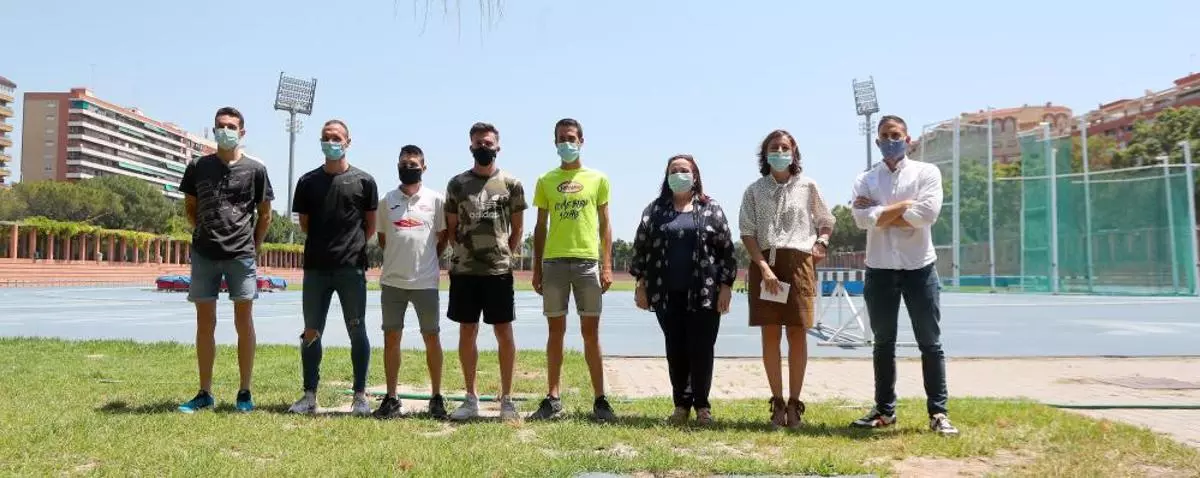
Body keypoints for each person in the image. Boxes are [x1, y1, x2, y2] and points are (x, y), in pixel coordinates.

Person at [850, 115, 958, 436]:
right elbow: (861, 219)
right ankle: (884, 411)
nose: (890, 140)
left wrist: (880, 213)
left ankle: (938, 413)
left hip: (919, 269)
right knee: (883, 343)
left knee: (930, 343)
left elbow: (927, 214)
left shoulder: (927, 172)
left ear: (908, 139)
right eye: (884, 135)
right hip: (880, 269)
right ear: (877, 141)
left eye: (896, 134)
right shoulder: (866, 179)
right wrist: (904, 206)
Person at [177, 106, 274, 413]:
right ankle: (204, 392)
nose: (226, 130)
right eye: (221, 125)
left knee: (244, 323)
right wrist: (205, 231)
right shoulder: (198, 166)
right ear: (214, 128)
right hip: (204, 253)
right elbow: (190, 206)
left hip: (241, 255)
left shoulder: (256, 170)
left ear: (242, 132)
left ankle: (244, 392)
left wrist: (254, 245)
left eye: (232, 126)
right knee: (204, 324)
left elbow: (265, 214)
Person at [630, 154, 736, 426]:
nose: (679, 174)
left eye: (684, 170)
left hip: (705, 294)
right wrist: (640, 285)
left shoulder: (711, 208)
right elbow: (641, 248)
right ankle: (681, 405)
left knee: (702, 349)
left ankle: (702, 406)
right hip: (666, 294)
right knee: (676, 349)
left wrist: (726, 286)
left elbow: (726, 249)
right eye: (674, 170)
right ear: (667, 177)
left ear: (695, 175)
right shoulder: (655, 210)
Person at [738, 129, 835, 429]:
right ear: (765, 154)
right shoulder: (754, 190)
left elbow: (826, 220)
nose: (779, 152)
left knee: (797, 333)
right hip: (767, 264)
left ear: (794, 153)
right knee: (770, 334)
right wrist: (764, 268)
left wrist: (822, 242)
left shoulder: (808, 186)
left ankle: (795, 404)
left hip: (799, 263)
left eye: (784, 147)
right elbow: (747, 232)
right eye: (773, 148)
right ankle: (777, 403)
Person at [287, 119, 379, 417]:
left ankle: (360, 396)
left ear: (348, 142)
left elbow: (370, 226)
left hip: (351, 269)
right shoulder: (307, 182)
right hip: (316, 269)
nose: (331, 142)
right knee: (311, 331)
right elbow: (305, 225)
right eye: (326, 137)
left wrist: (350, 248)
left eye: (337, 137)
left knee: (357, 329)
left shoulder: (365, 181)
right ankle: (309, 395)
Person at [528, 118, 616, 422]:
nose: (567, 143)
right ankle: (553, 398)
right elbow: (540, 227)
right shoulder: (545, 180)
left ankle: (600, 400)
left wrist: (607, 264)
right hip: (554, 263)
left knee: (591, 333)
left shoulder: (598, 179)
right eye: (561, 139)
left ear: (581, 141)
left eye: (571, 138)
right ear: (555, 143)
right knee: (556, 332)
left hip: (587, 263)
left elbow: (605, 224)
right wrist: (536, 268)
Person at [444, 122, 527, 422]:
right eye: (478, 143)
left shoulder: (512, 184)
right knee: (467, 331)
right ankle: (470, 398)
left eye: (488, 143)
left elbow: (517, 230)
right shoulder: (457, 184)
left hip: (498, 272)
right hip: (465, 271)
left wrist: (503, 254)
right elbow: (451, 229)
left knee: (504, 332)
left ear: (497, 147)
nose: (483, 147)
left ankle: (507, 400)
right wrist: (465, 254)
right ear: (471, 146)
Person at [373, 145, 449, 419]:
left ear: (424, 168)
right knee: (391, 337)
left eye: (414, 164)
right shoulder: (386, 201)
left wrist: (426, 260)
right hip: (393, 282)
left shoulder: (436, 200)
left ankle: (436, 397)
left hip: (425, 282)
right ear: (397, 166)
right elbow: (384, 239)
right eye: (404, 164)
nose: (408, 168)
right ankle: (392, 397)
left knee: (432, 337)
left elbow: (443, 238)